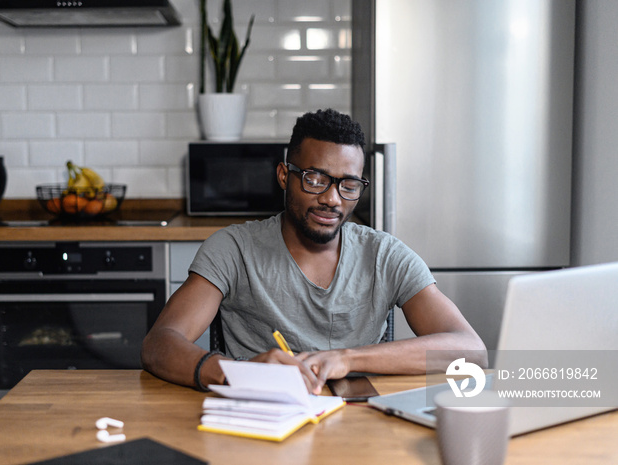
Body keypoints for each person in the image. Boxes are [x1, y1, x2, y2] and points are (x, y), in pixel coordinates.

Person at [141, 108, 487, 394]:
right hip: (260, 423)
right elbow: (158, 344)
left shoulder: (384, 255)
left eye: (348, 185)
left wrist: (348, 358)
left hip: (358, 427)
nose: (332, 199)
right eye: (315, 179)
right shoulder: (232, 249)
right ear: (284, 175)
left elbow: (471, 350)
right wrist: (233, 372)